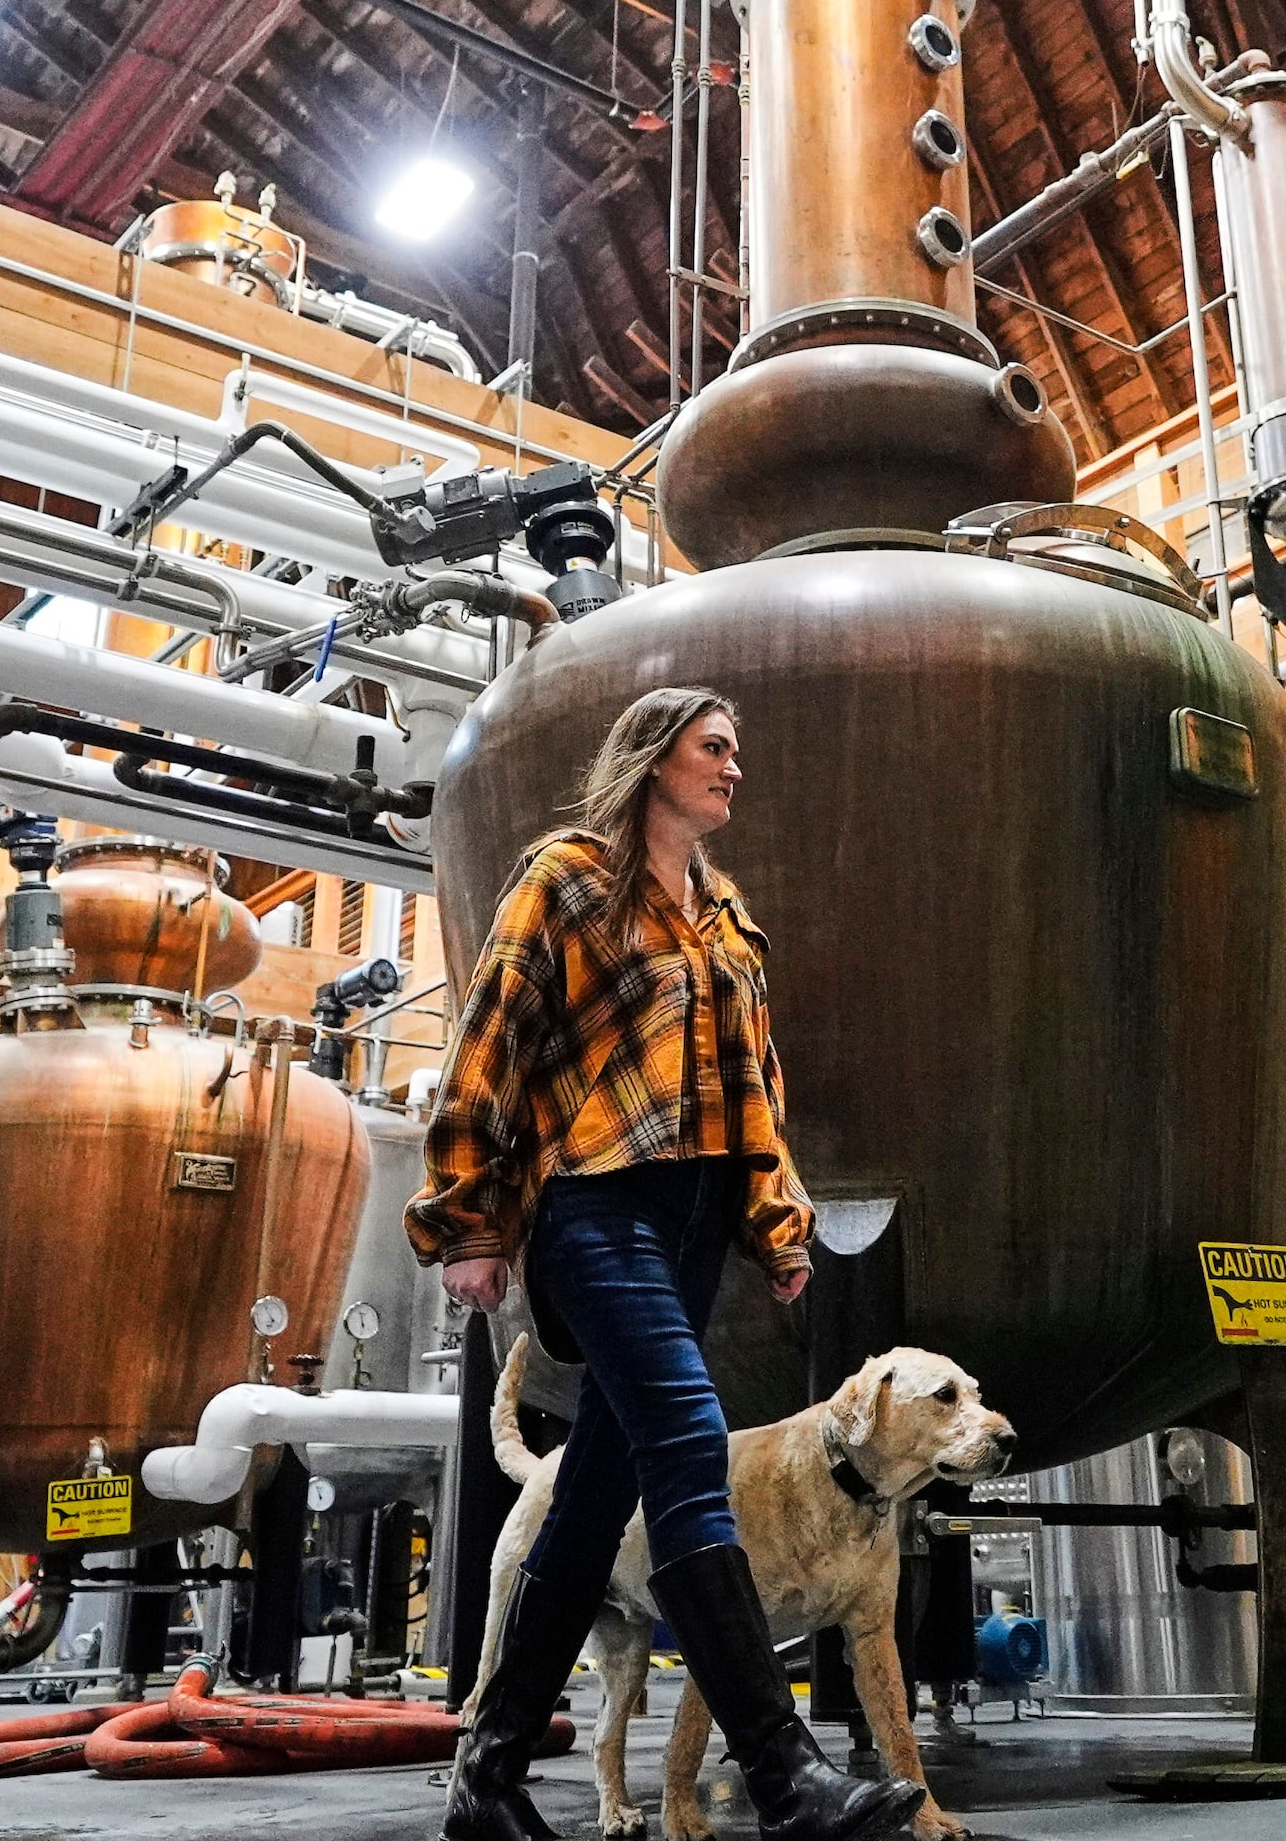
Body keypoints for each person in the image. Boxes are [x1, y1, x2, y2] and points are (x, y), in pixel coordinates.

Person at [407, 686, 918, 1841]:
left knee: (595, 1496)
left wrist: (776, 1225)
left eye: (737, 750)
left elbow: (757, 1088)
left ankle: (487, 1782)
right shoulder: (569, 879)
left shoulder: (726, 914)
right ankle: (785, 1777)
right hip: (594, 1205)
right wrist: (468, 1220)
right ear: (652, 759)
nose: (735, 767)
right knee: (689, 1442)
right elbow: (488, 1042)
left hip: (690, 1226)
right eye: (713, 748)